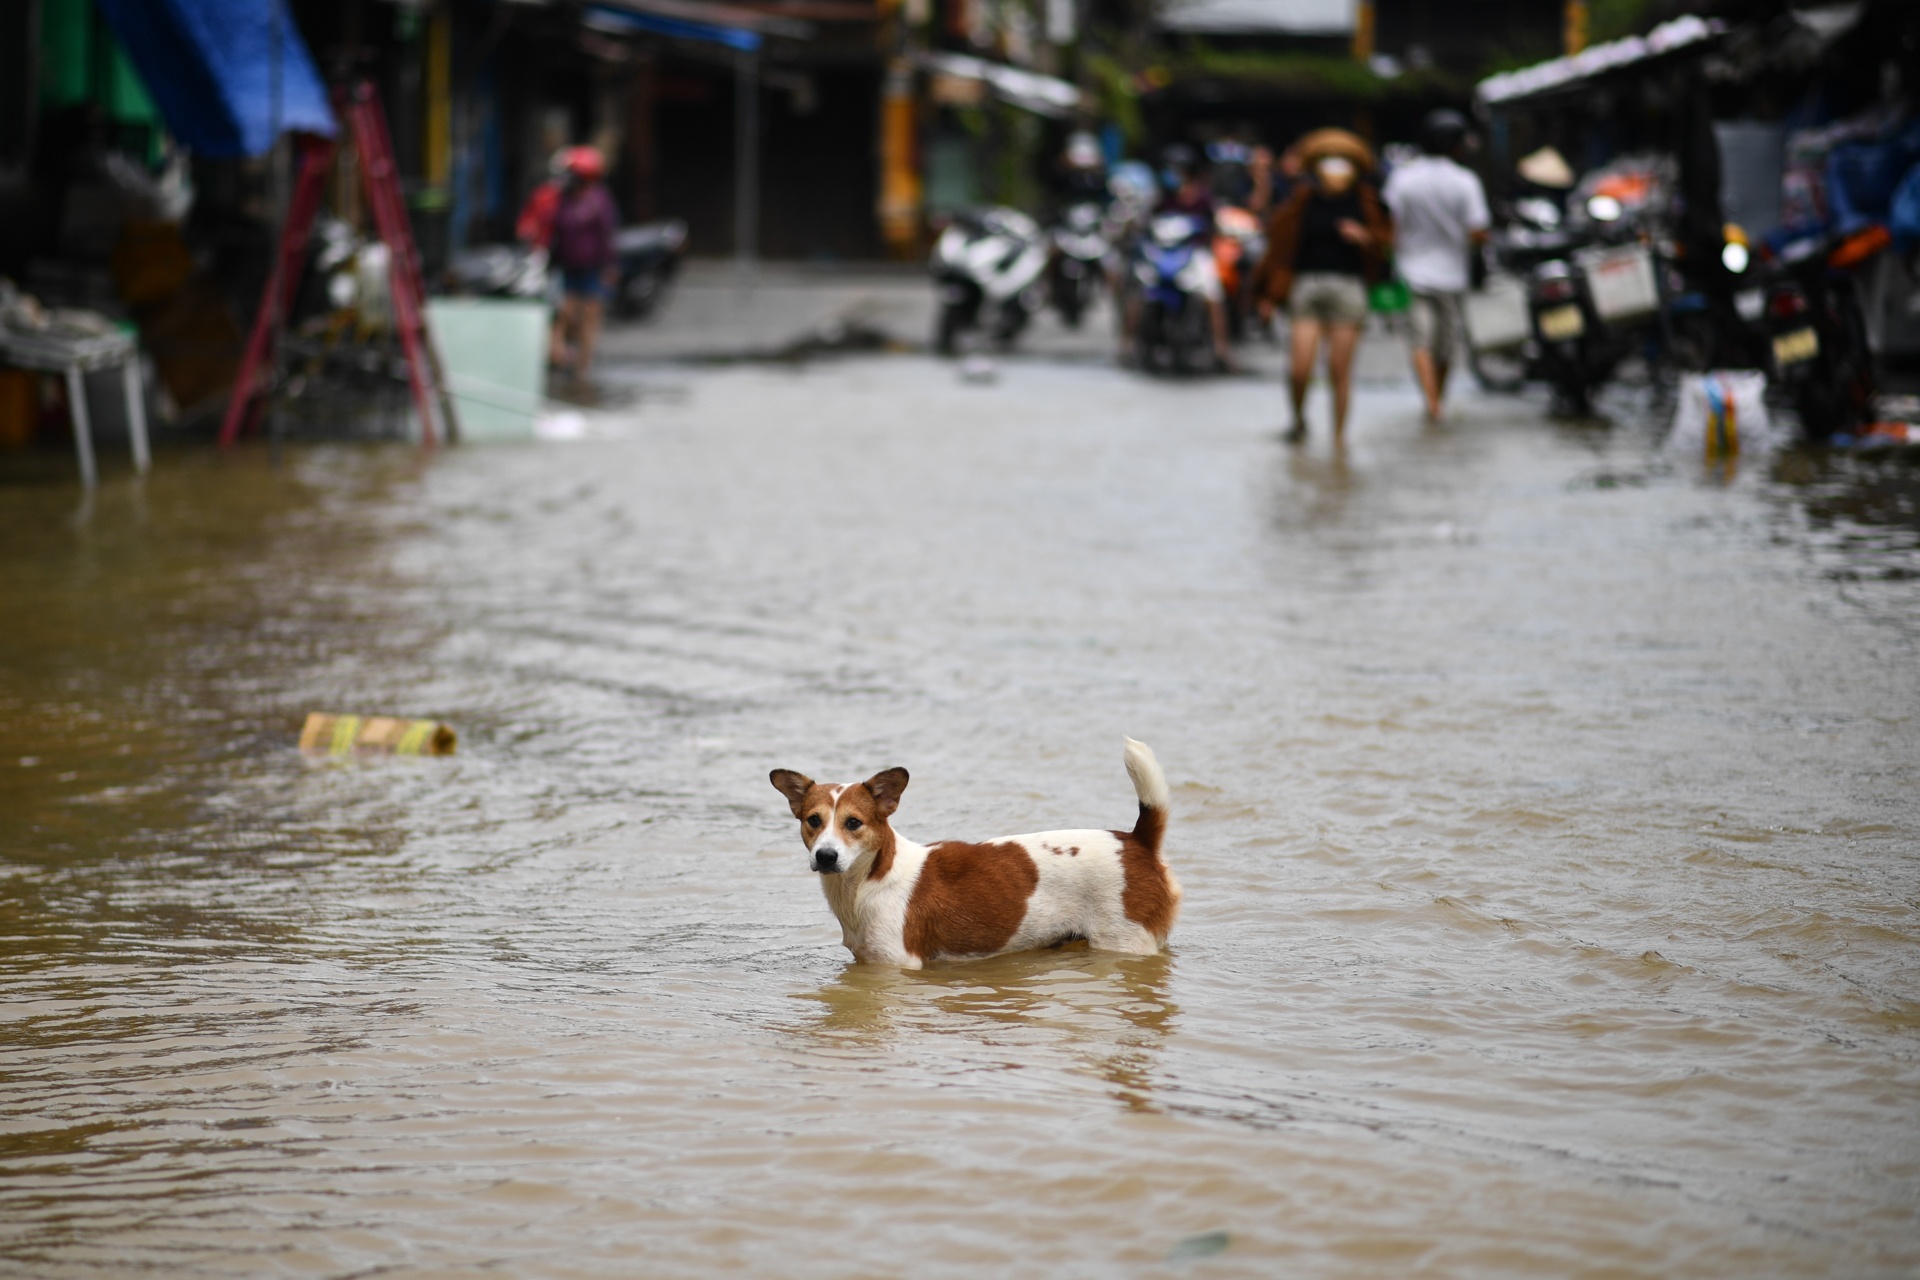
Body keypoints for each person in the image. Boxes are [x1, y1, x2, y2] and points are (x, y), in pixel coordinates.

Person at [1253, 132, 1392, 442]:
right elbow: (1279, 249)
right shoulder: (1301, 202)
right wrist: (1269, 296)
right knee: (1300, 368)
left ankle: (1338, 438)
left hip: (1349, 288)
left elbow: (1389, 243)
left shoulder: (1368, 202)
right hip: (1307, 286)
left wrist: (1365, 237)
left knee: (1339, 371)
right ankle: (1298, 420)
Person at [1382, 109, 1491, 421]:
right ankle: (1436, 401)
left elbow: (1390, 222)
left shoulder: (1402, 177)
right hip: (1452, 276)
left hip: (1410, 271)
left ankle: (1431, 403)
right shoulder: (1465, 181)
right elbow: (1478, 230)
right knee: (1445, 345)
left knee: (1419, 342)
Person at [548, 146, 619, 379]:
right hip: (568, 268)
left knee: (589, 317)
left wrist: (609, 266)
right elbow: (556, 231)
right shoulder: (564, 199)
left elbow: (607, 235)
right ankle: (561, 356)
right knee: (566, 314)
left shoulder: (599, 200)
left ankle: (583, 366)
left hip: (593, 269)